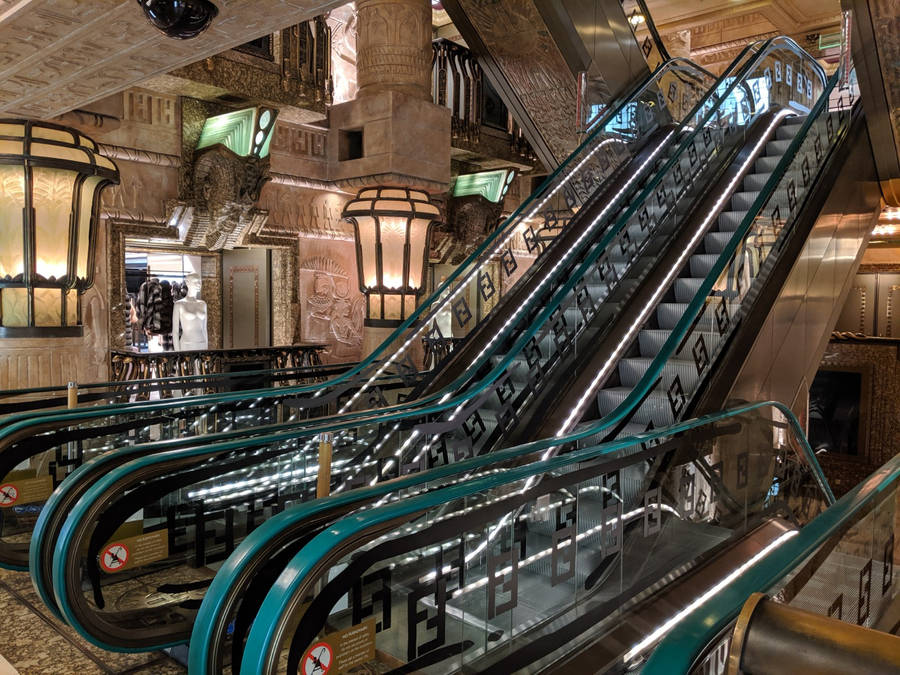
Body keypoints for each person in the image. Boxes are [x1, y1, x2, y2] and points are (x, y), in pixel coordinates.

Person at [172, 273, 208, 351]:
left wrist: (206, 349)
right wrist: (177, 353)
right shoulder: (179, 304)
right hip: (186, 345)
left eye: (200, 282)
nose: (199, 284)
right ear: (187, 282)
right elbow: (175, 331)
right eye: (195, 281)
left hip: (202, 344)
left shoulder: (203, 304)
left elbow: (204, 329)